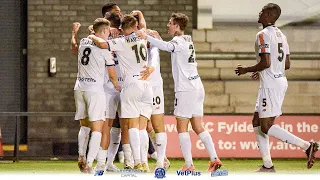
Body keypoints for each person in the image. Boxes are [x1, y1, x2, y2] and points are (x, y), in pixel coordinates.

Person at [235, 3, 319, 172]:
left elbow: (266, 62)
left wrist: (246, 69)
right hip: (277, 81)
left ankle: (307, 146)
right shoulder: (282, 36)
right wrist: (263, 72)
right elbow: (286, 64)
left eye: (263, 11)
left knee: (266, 126)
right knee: (257, 121)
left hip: (271, 85)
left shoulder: (262, 35)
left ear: (269, 15)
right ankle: (267, 165)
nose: (259, 13)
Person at [135, 13, 222, 172]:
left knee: (182, 128)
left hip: (186, 89)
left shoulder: (177, 41)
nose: (168, 25)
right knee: (198, 126)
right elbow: (168, 45)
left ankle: (189, 165)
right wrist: (156, 38)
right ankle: (214, 158)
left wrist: (146, 36)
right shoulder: (187, 40)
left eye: (170, 23)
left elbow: (168, 47)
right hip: (197, 86)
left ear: (176, 25)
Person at [89, 15, 153, 172]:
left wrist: (92, 34)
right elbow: (142, 28)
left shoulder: (122, 42)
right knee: (142, 127)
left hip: (130, 84)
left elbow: (103, 44)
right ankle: (144, 161)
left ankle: (136, 161)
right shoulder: (142, 38)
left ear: (122, 29)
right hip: (146, 84)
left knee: (131, 126)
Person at [74, 18, 116, 173]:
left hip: (79, 87)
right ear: (104, 31)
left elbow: (77, 46)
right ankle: (89, 164)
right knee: (97, 129)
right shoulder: (105, 49)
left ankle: (81, 156)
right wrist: (117, 86)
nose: (109, 35)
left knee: (84, 126)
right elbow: (112, 74)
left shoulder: (84, 41)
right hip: (95, 90)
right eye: (109, 32)